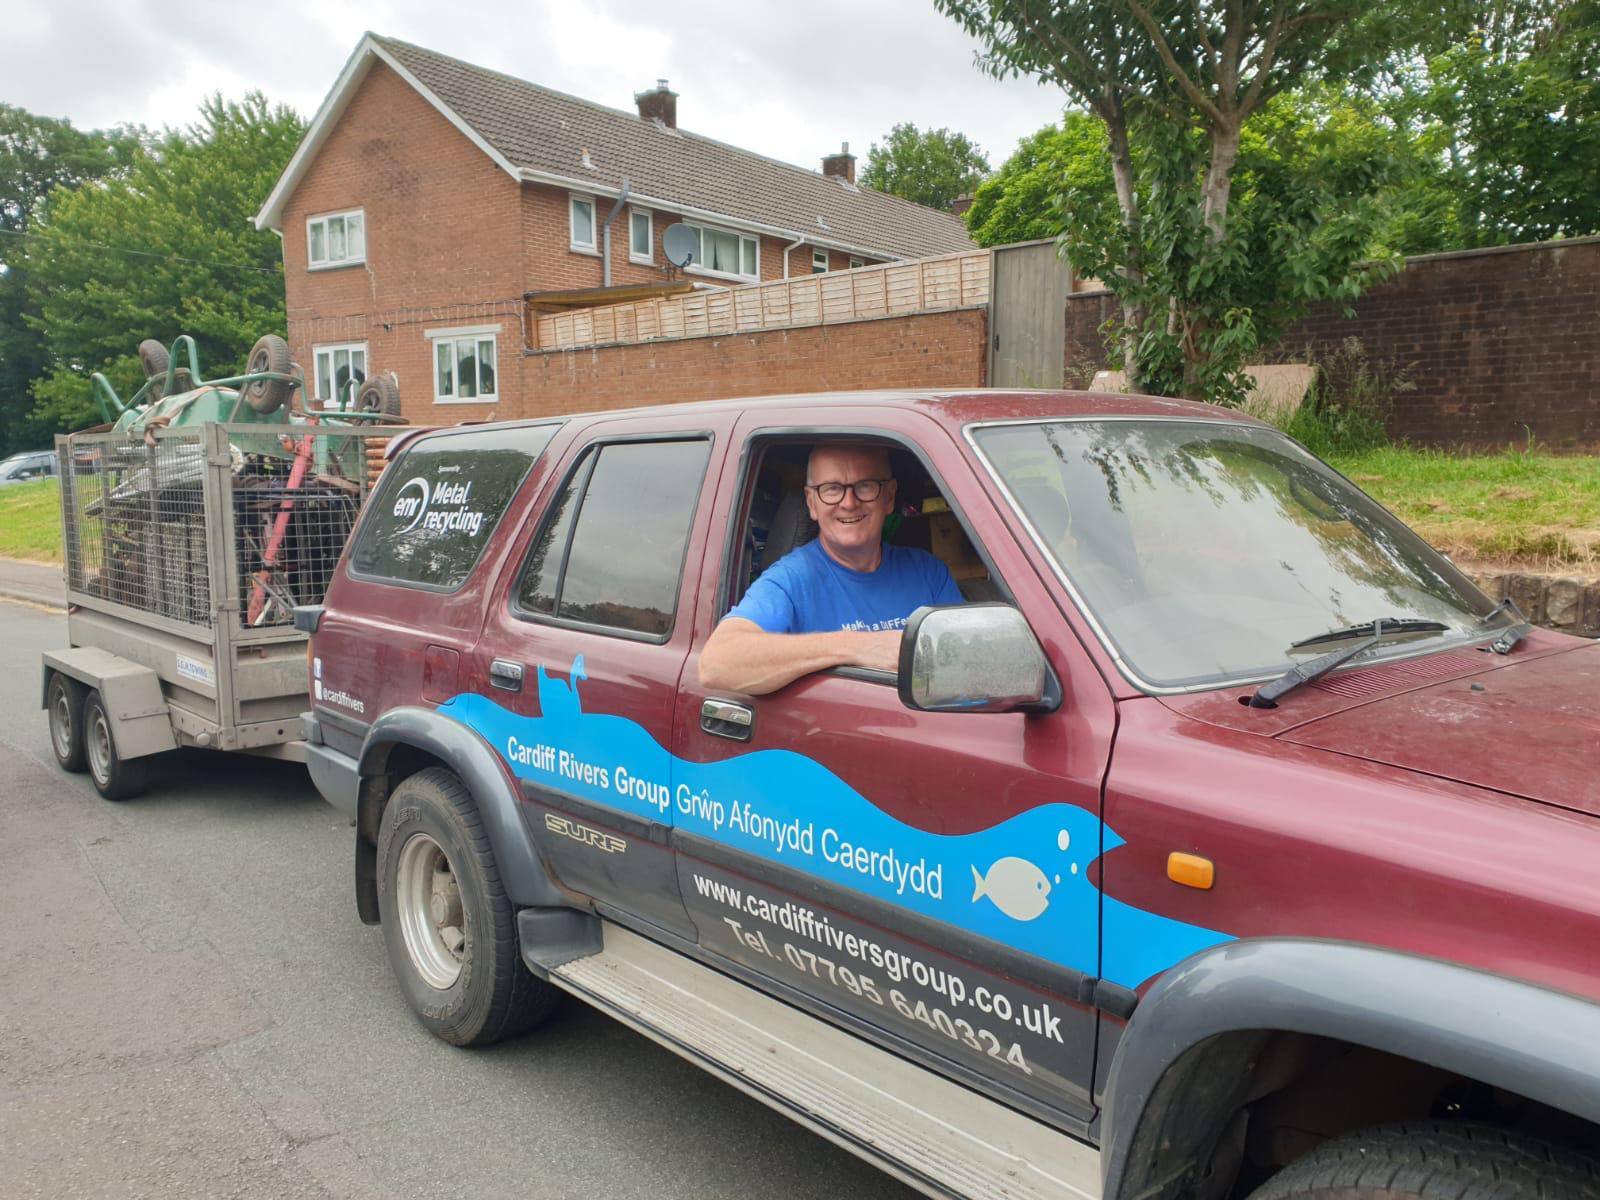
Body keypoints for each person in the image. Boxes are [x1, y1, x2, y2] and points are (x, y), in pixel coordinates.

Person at [698, 443, 964, 695]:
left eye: (865, 486)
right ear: (811, 502)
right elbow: (717, 663)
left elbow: (967, 659)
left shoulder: (928, 572)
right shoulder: (790, 580)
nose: (849, 503)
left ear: (889, 496)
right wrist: (857, 646)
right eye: (832, 489)